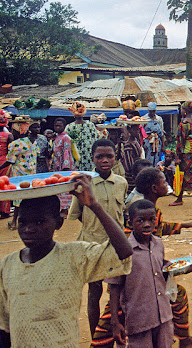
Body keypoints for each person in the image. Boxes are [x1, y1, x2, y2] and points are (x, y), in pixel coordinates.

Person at [0, 178, 133, 348]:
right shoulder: (8, 265)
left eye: (39, 222)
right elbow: (4, 325)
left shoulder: (74, 256)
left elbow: (124, 252)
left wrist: (94, 206)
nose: (29, 229)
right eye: (23, 222)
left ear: (58, 223)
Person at [92, 169, 192, 348]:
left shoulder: (153, 213)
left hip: (150, 278)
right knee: (113, 315)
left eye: (150, 221)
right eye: (163, 182)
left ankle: (183, 338)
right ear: (154, 187)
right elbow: (123, 246)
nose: (167, 184)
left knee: (177, 296)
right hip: (130, 281)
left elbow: (159, 229)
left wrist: (184, 226)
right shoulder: (138, 210)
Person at [107, 199, 192, 347]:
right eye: (140, 221)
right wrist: (115, 321)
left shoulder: (158, 244)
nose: (147, 224)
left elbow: (160, 268)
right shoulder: (123, 251)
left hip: (163, 316)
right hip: (138, 320)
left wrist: (186, 267)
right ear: (130, 223)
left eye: (151, 220)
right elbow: (114, 285)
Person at [67, 139, 129, 338]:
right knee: (94, 292)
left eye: (109, 156)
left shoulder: (121, 182)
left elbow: (122, 213)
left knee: (118, 291)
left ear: (115, 158)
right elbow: (76, 215)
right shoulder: (84, 184)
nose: (104, 160)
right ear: (92, 159)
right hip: (91, 247)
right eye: (99, 157)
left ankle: (118, 331)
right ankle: (96, 336)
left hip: (116, 247)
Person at [0, 119, 39, 229]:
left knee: (18, 198)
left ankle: (14, 222)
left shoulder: (15, 144)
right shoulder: (33, 141)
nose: (13, 132)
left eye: (14, 129)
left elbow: (10, 161)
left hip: (20, 174)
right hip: (31, 173)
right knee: (29, 197)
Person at [66, 101, 100, 171]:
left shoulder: (90, 125)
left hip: (89, 158)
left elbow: (96, 141)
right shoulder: (70, 127)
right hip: (75, 158)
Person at [52, 118, 75, 216]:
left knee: (65, 189)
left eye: (59, 126)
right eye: (56, 125)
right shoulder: (57, 137)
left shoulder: (66, 137)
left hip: (65, 167)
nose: (57, 127)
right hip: (57, 167)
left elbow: (67, 152)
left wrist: (65, 168)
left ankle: (65, 210)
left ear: (64, 127)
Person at [119, 125, 144, 192]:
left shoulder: (136, 141)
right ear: (130, 130)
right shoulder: (128, 145)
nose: (137, 132)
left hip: (137, 170)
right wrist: (134, 171)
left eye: (138, 130)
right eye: (134, 130)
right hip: (132, 174)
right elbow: (129, 164)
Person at [0, 111, 13, 219]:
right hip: (4, 163)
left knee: (4, 186)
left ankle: (5, 211)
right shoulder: (9, 135)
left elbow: (11, 153)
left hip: (4, 164)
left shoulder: (9, 135)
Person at [143, 102, 165, 167]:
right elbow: (141, 132)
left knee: (157, 159)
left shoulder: (159, 119)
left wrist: (163, 145)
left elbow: (161, 133)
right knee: (148, 158)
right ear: (148, 111)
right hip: (147, 142)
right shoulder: (144, 118)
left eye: (153, 111)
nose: (152, 113)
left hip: (157, 142)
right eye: (151, 111)